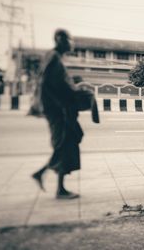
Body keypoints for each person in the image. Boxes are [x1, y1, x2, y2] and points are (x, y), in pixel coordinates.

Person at [31, 29, 83, 199]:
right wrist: (59, 104)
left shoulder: (56, 57)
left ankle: (43, 174)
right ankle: (59, 189)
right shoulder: (53, 56)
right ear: (60, 39)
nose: (72, 43)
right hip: (56, 110)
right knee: (62, 144)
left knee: (65, 143)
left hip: (59, 109)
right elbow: (44, 83)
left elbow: (58, 83)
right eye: (70, 39)